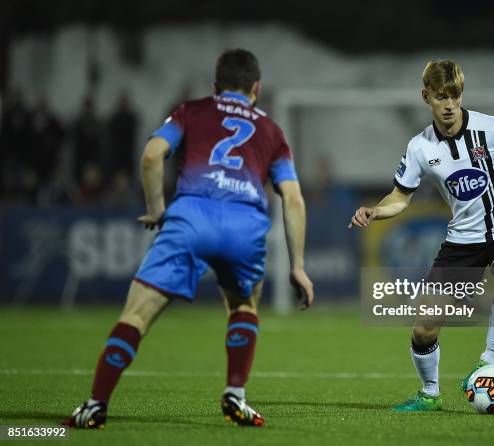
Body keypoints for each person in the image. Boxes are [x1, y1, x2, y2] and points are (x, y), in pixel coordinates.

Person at [62, 48, 314, 428]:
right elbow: (293, 197)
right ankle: (236, 395)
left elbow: (151, 156)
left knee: (136, 315)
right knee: (244, 305)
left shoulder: (191, 111)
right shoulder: (273, 131)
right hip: (244, 225)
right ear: (256, 88)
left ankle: (96, 405)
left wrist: (156, 209)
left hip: (192, 216)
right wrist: (297, 266)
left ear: (216, 87)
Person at [348, 60, 494, 411]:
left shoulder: (492, 129)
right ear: (426, 97)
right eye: (440, 97)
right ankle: (429, 393)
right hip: (462, 241)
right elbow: (400, 196)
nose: (449, 104)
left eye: (454, 96)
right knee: (423, 329)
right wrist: (376, 211)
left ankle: (487, 360)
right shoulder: (420, 147)